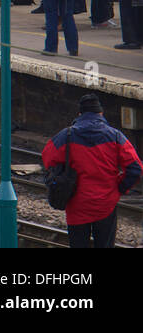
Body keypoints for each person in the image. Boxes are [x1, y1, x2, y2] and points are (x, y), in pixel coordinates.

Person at [41, 94, 142, 248]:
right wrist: (119, 187)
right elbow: (135, 168)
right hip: (106, 204)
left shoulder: (66, 135)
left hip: (77, 205)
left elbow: (47, 159)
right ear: (101, 113)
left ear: (80, 115)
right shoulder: (115, 137)